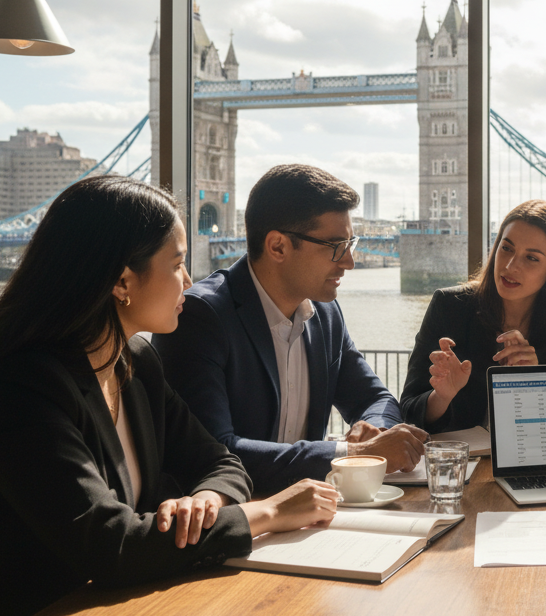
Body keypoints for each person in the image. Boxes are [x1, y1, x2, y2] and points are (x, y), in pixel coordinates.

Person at [0, 176, 338, 616]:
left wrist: (208, 501)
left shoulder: (136, 365)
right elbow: (111, 546)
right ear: (123, 281)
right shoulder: (18, 388)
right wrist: (268, 512)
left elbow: (220, 462)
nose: (189, 282)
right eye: (177, 264)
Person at [152, 165, 426, 494]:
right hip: (231, 520)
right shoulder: (200, 316)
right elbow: (216, 453)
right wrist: (352, 454)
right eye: (336, 246)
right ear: (278, 247)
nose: (350, 261)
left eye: (351, 243)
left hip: (309, 513)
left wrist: (378, 434)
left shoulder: (325, 313)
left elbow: (376, 398)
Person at [399, 200, 546, 431]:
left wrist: (538, 381)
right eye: (506, 248)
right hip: (464, 463)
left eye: (531, 258)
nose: (511, 266)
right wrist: (441, 396)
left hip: (538, 461)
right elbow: (407, 411)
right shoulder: (449, 306)